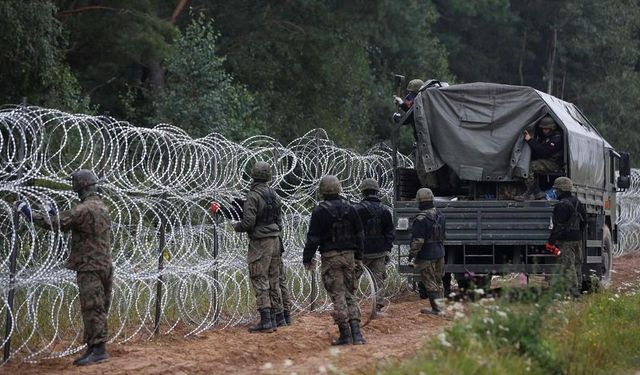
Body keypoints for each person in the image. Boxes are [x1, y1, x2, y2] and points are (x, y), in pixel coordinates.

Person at [15, 169, 113, 366]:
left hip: (89, 266)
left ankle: (99, 350)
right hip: (104, 264)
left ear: (80, 187)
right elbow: (71, 224)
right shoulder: (101, 207)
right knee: (99, 307)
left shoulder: (83, 209)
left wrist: (28, 213)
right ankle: (94, 348)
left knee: (92, 308)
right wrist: (53, 213)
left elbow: (55, 224)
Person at [302, 175, 366, 345]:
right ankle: (357, 334)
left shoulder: (319, 211)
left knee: (338, 295)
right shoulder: (351, 208)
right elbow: (360, 234)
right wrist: (359, 256)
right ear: (338, 188)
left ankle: (345, 334)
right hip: (349, 256)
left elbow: (313, 238)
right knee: (351, 293)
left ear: (322, 190)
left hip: (331, 258)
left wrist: (307, 258)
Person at [233, 161, 284, 332]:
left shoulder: (253, 196)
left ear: (253, 175)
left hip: (261, 242)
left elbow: (248, 223)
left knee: (259, 278)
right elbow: (279, 221)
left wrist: (235, 226)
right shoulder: (274, 195)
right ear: (268, 176)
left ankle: (266, 321)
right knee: (273, 279)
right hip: (275, 240)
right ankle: (278, 317)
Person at [354, 178, 395, 316]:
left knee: (352, 280)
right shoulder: (385, 211)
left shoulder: (357, 210)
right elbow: (390, 232)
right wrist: (387, 248)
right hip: (379, 252)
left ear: (363, 192)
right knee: (379, 281)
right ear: (377, 192)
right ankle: (377, 309)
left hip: (361, 253)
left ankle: (352, 308)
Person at [410, 188, 446, 315]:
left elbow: (418, 241)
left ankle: (437, 309)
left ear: (419, 201)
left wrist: (412, 254)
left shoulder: (420, 219)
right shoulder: (440, 215)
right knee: (438, 280)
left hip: (427, 255)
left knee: (430, 282)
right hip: (440, 252)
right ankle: (441, 308)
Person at [547, 177, 585, 297]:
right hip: (577, 239)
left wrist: (551, 243)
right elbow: (585, 222)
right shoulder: (578, 203)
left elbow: (557, 227)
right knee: (577, 265)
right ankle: (578, 289)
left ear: (560, 190)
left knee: (568, 267)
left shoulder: (561, 205)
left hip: (566, 241)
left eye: (556, 190)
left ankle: (574, 294)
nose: (555, 192)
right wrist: (578, 233)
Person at [516, 115, 564, 201]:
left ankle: (528, 193)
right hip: (547, 161)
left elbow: (544, 150)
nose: (544, 131)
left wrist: (530, 140)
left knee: (530, 167)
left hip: (554, 163)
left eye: (547, 129)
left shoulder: (557, 138)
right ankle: (538, 193)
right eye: (543, 129)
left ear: (552, 128)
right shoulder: (545, 137)